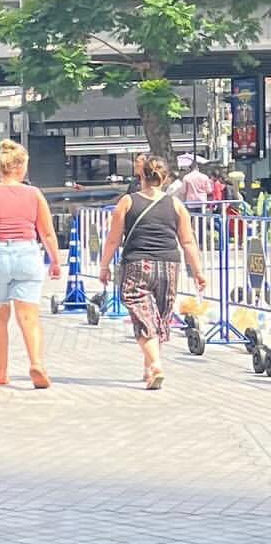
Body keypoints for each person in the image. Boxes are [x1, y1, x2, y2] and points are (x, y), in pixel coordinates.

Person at [97, 154, 207, 391]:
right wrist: (198, 272)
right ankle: (149, 369)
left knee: (143, 316)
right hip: (169, 265)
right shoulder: (176, 205)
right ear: (165, 178)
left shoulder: (127, 202)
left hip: (137, 264)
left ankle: (155, 365)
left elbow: (113, 239)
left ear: (141, 175)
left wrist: (104, 266)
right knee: (160, 318)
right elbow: (188, 242)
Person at [0, 140, 62, 389]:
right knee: (29, 316)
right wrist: (55, 260)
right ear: (21, 167)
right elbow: (47, 233)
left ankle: (1, 371)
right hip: (27, 254)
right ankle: (36, 363)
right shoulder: (34, 194)